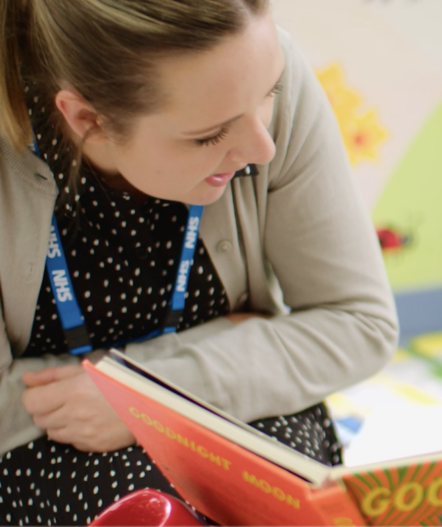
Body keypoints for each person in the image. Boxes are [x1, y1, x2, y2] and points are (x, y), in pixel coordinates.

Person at [0, 0, 398, 525]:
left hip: (235, 407)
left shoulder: (252, 74)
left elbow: (359, 323)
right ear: (86, 119)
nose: (263, 148)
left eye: (271, 94)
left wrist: (144, 391)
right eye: (209, 135)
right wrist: (223, 343)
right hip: (41, 443)